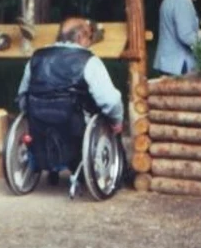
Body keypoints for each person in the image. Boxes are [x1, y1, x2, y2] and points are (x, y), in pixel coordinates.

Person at [15, 17, 124, 183]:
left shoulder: (36, 57)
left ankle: (49, 165)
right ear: (80, 37)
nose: (90, 42)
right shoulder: (88, 60)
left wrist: (28, 113)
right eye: (89, 37)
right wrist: (116, 121)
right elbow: (110, 100)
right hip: (75, 123)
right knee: (109, 117)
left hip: (39, 121)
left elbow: (23, 94)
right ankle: (119, 173)